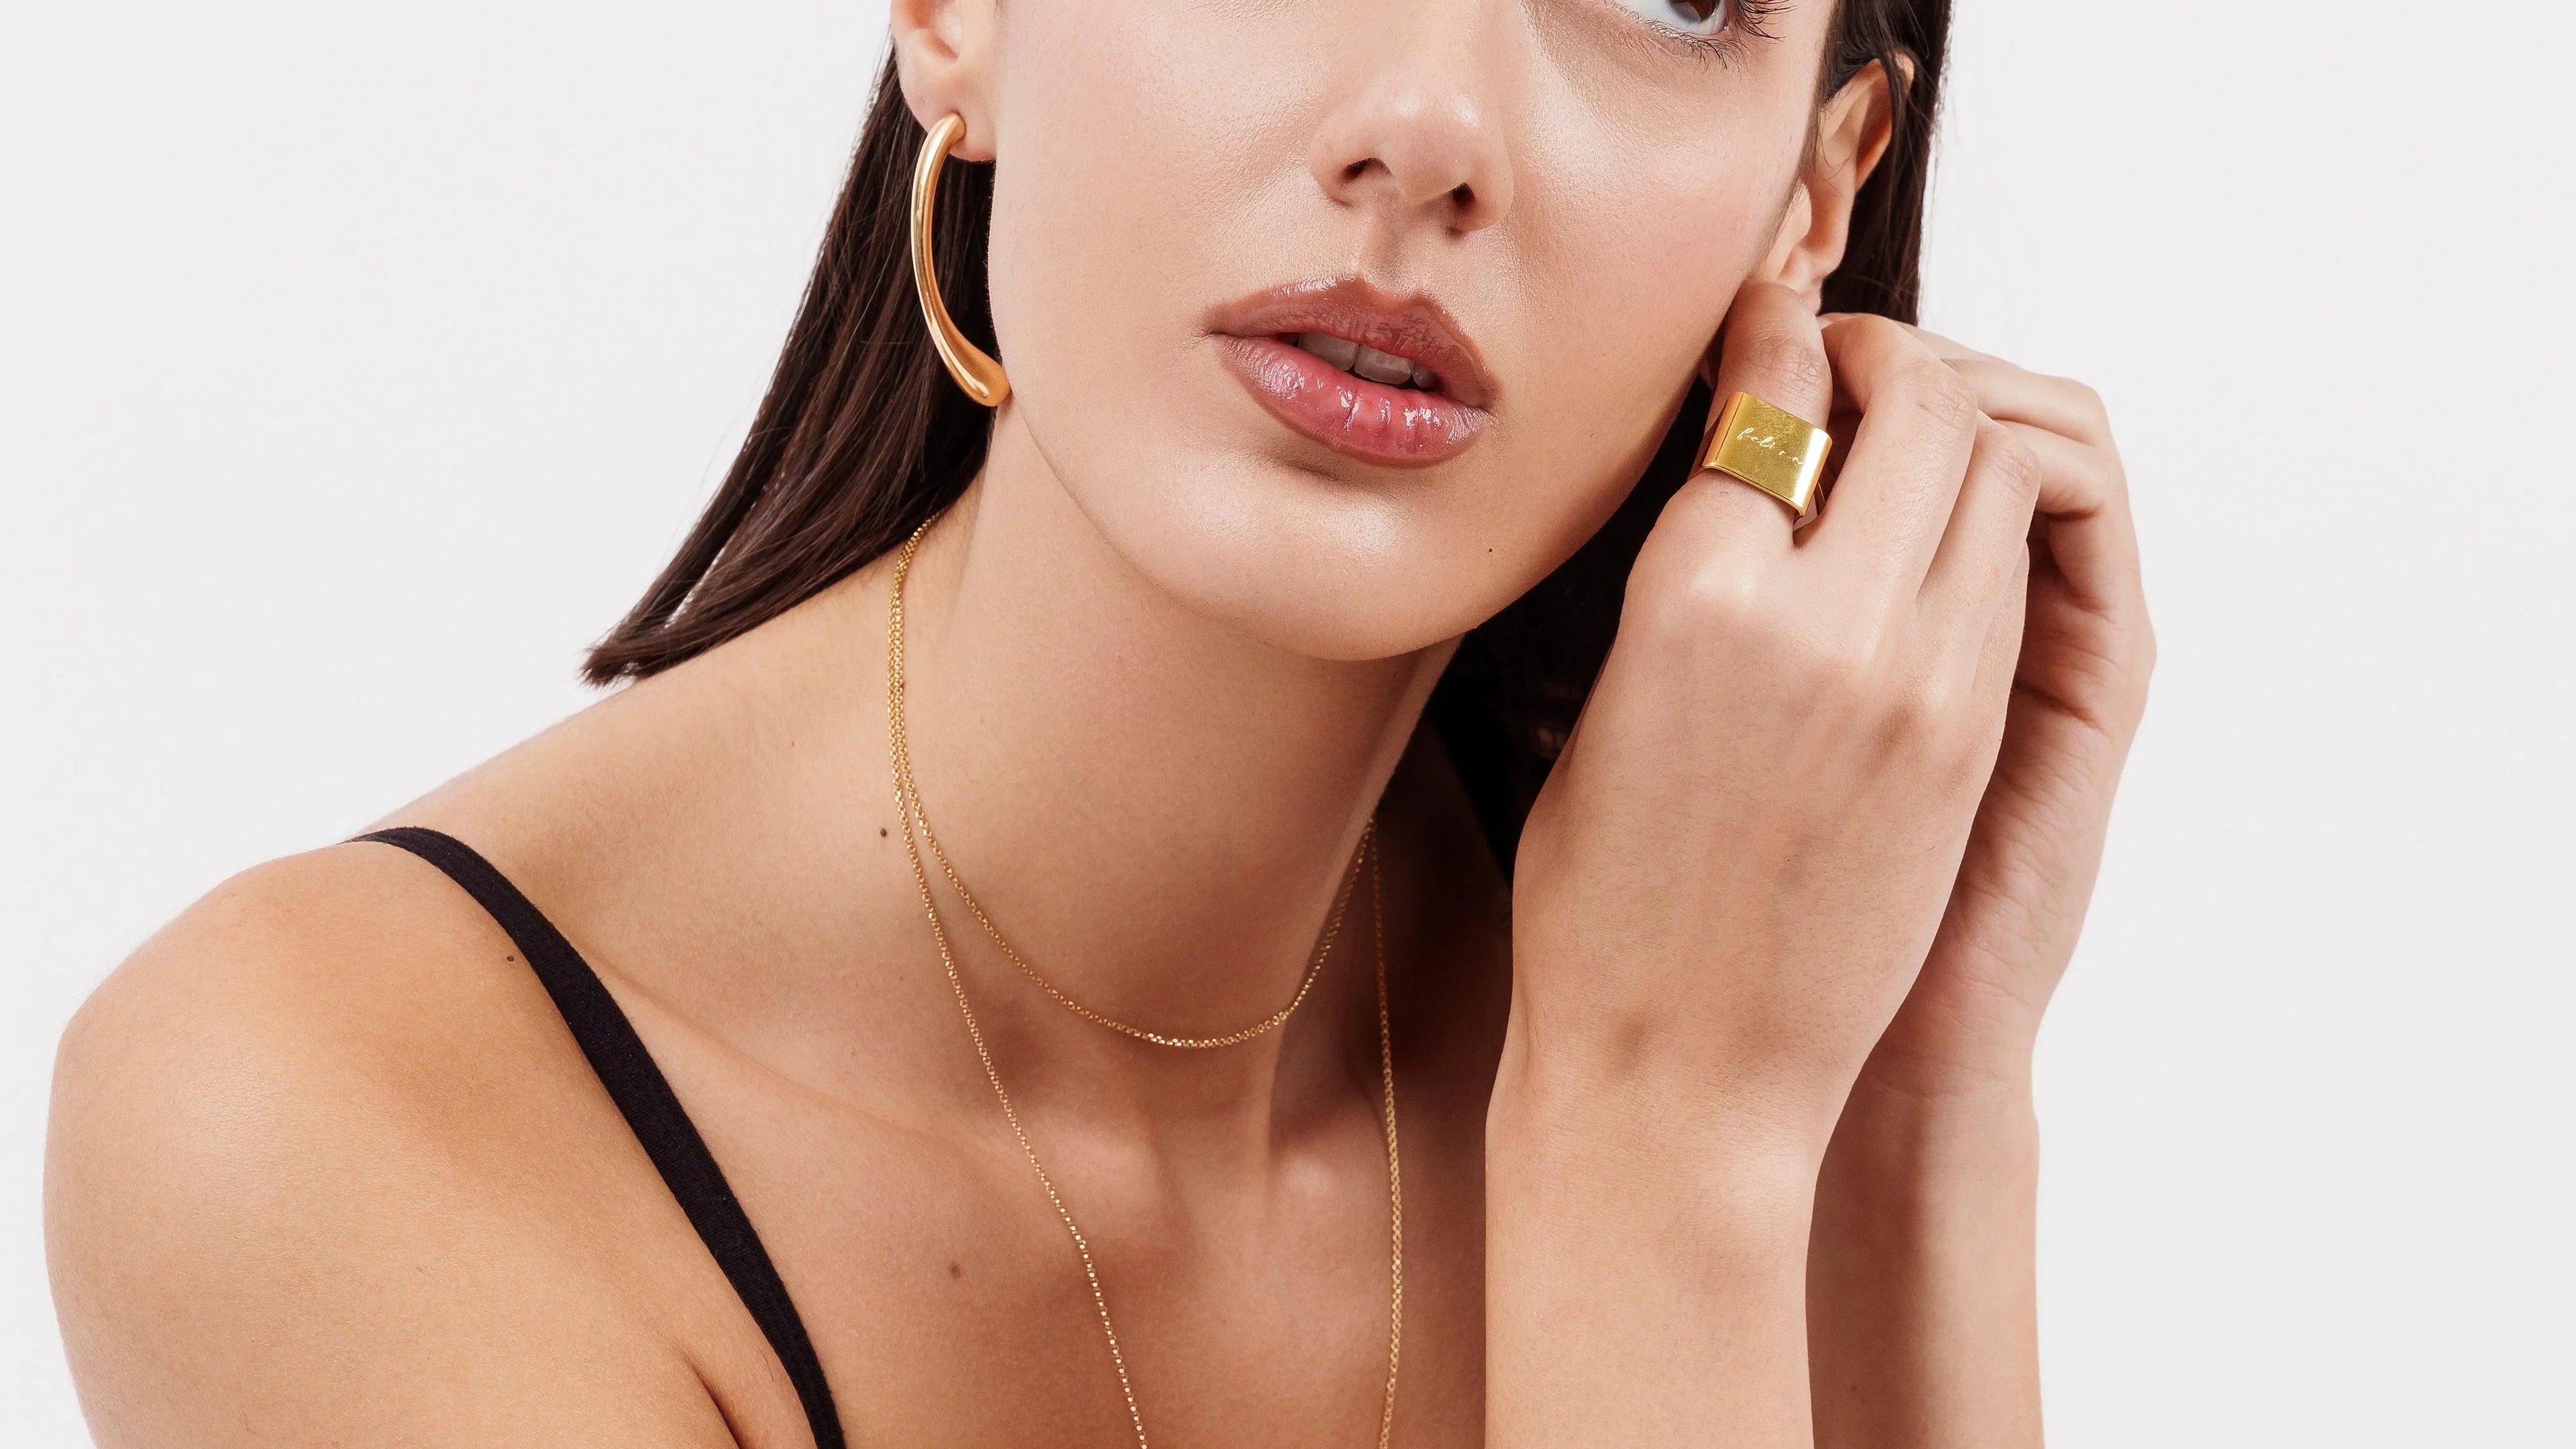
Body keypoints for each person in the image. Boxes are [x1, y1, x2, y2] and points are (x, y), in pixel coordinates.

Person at [45, 0, 2152, 1444]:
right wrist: (1659, 1160)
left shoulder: (1725, 1030)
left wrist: (1916, 1102)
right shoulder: (330, 1117)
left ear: (1820, 186)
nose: (1428, 126)